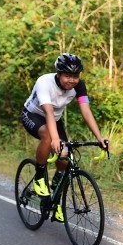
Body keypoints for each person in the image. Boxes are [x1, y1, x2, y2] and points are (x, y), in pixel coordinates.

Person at [20, 53, 107, 222]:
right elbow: (48, 112)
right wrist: (55, 139)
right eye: (67, 75)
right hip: (33, 114)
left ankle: (55, 201)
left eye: (75, 76)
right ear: (59, 74)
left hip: (55, 119)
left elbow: (86, 111)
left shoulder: (79, 86)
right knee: (48, 137)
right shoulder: (44, 82)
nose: (72, 80)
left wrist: (100, 138)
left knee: (65, 158)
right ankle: (39, 177)